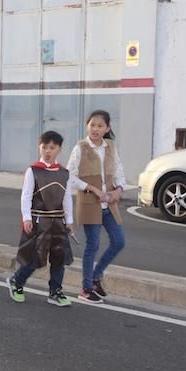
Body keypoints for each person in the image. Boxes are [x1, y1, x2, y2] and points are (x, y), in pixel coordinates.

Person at [7, 131, 74, 307]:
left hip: (58, 221)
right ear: (39, 147)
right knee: (35, 258)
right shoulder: (34, 170)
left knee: (59, 257)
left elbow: (67, 198)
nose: (47, 151)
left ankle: (55, 291)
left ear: (59, 149)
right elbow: (26, 196)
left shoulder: (64, 172)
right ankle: (16, 281)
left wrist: (70, 220)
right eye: (44, 147)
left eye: (52, 147)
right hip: (39, 220)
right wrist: (27, 218)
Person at [66, 109, 127, 303]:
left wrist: (118, 190)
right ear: (87, 126)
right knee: (92, 245)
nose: (95, 129)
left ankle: (95, 275)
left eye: (100, 125)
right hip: (89, 203)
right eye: (92, 124)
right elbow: (70, 177)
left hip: (109, 203)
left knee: (119, 241)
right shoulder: (80, 148)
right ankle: (86, 289)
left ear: (107, 128)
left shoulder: (111, 147)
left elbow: (119, 172)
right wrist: (92, 188)